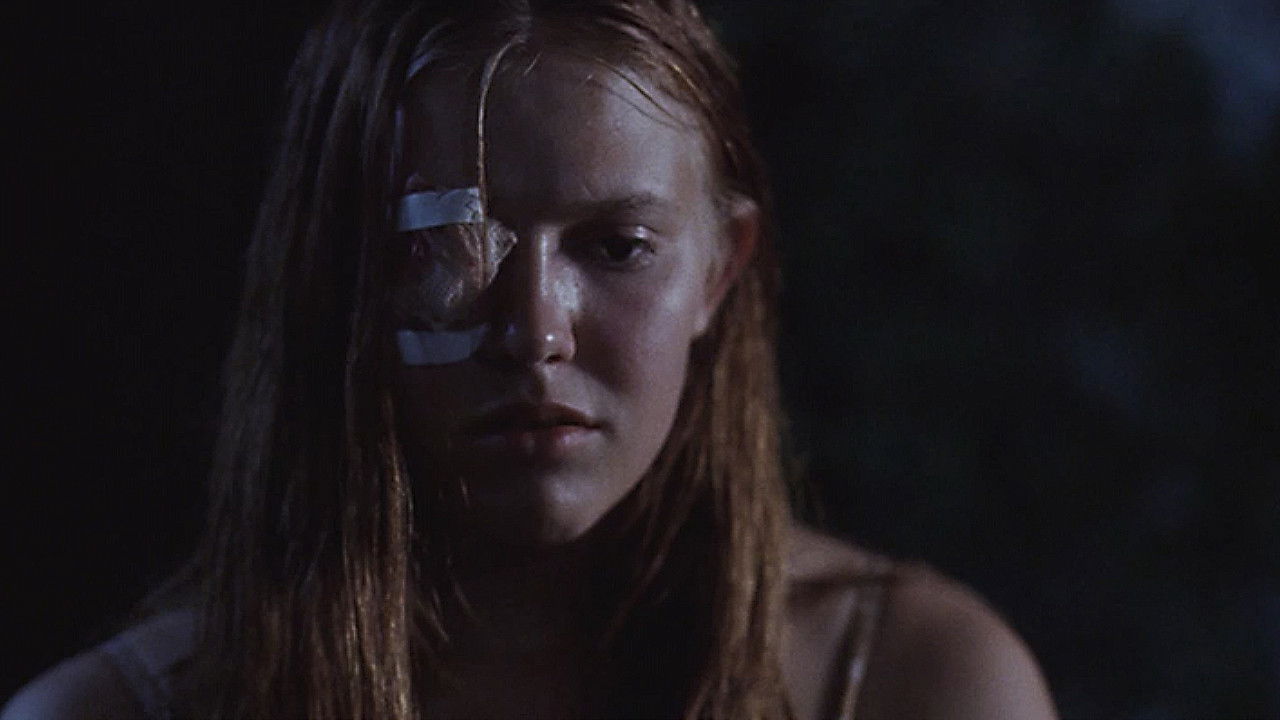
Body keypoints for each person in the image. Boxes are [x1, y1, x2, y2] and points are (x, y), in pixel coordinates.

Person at [4, 0, 1057, 718]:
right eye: (445, 250)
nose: (534, 332)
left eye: (616, 247)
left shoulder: (922, 684)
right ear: (338, 279)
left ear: (718, 270)